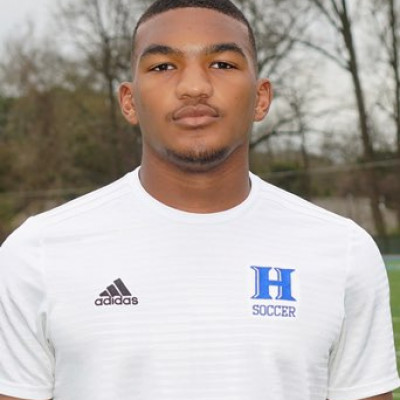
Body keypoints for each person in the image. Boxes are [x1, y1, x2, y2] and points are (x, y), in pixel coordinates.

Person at [0, 0, 399, 399]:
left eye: (222, 64)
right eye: (163, 66)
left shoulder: (343, 252)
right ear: (129, 101)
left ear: (261, 98)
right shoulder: (37, 253)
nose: (194, 86)